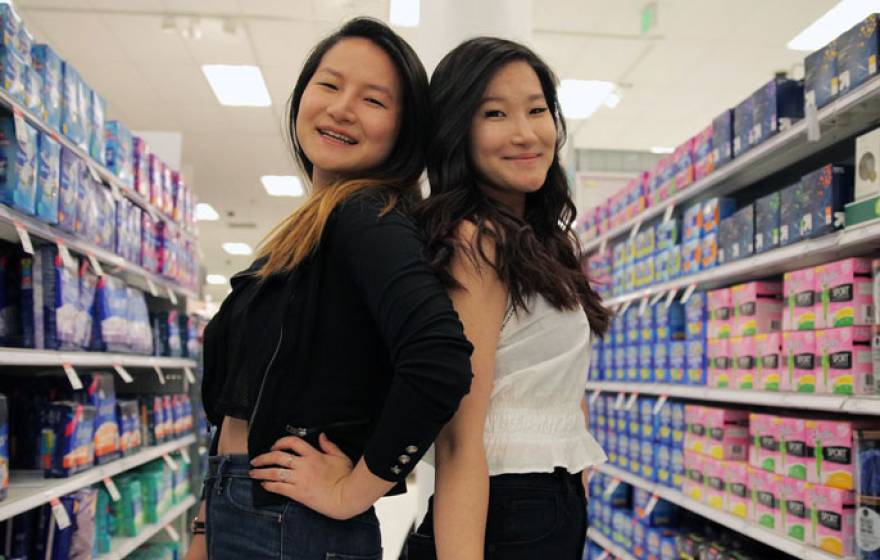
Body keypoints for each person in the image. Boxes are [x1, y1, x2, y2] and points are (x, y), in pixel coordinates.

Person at [187, 18, 473, 560]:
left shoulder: (366, 215)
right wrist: (205, 528)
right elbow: (238, 407)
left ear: (403, 131)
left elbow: (439, 360)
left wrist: (355, 490)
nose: (342, 108)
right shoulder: (309, 228)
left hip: (290, 526)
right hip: (243, 508)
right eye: (329, 84)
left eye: (374, 99)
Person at [404, 37, 610, 559]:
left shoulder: (539, 239)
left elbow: (556, 383)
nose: (525, 133)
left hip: (541, 503)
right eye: (495, 113)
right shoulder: (478, 242)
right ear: (458, 132)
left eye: (537, 110)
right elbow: (460, 435)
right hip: (503, 508)